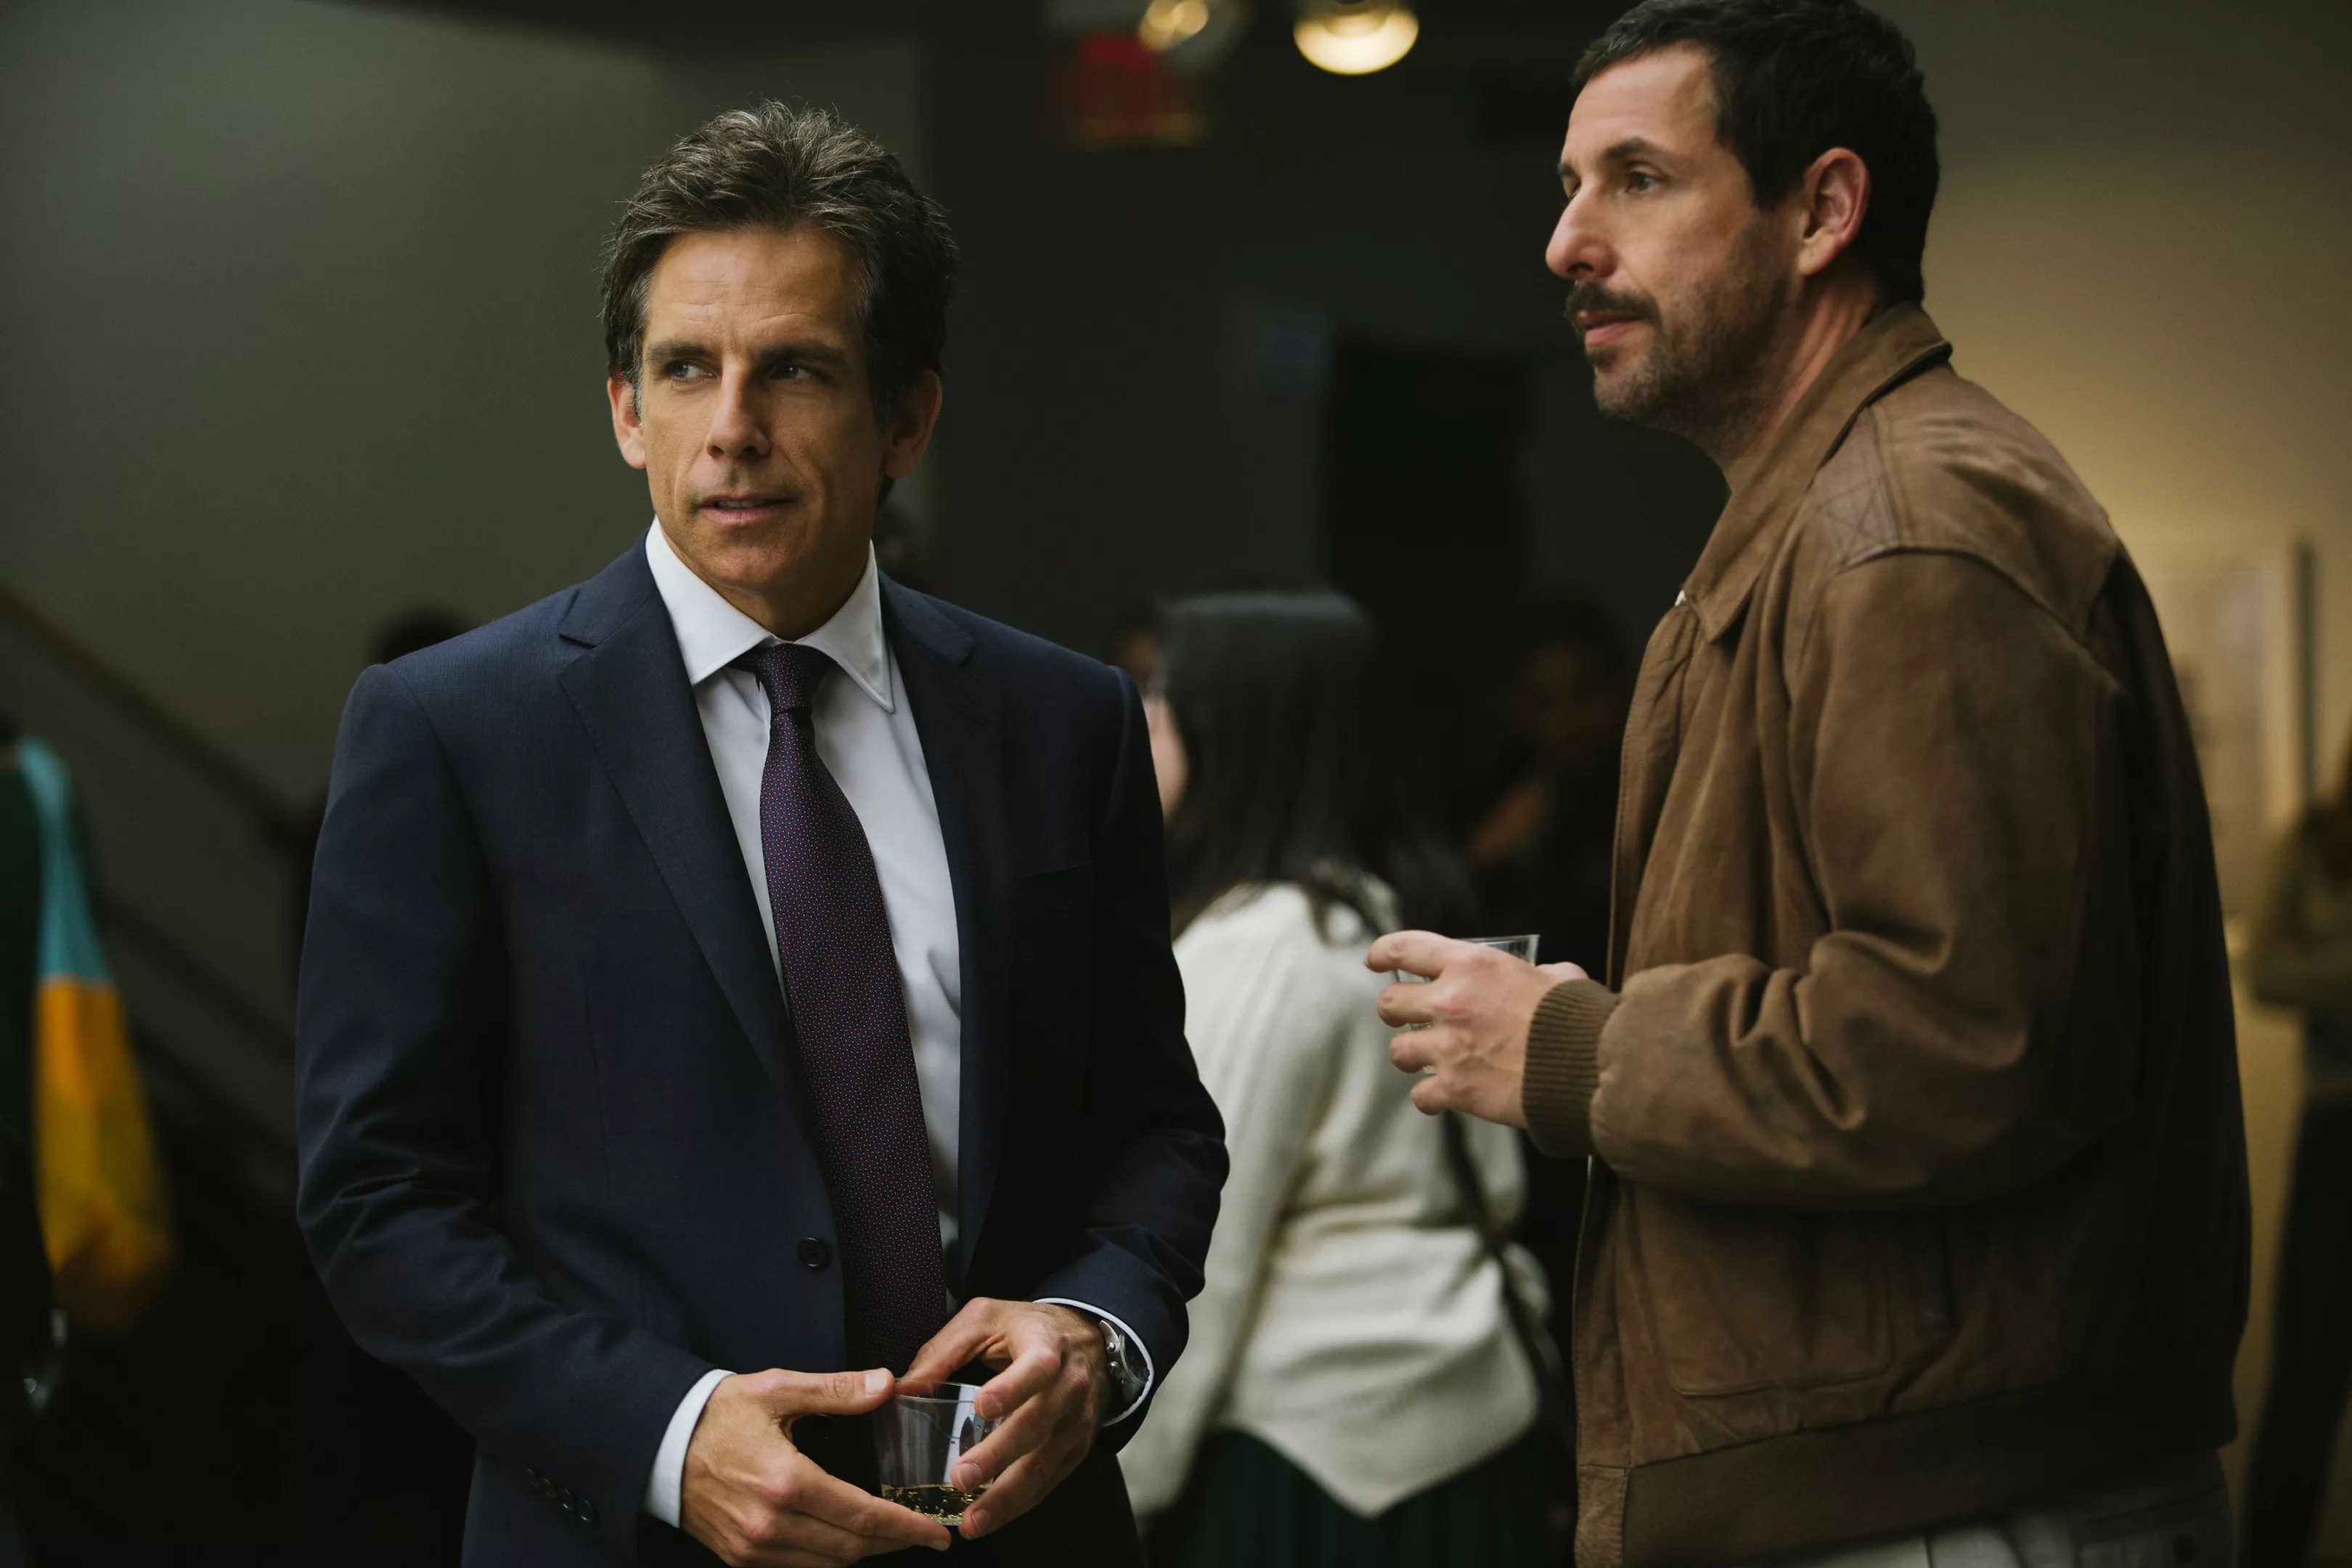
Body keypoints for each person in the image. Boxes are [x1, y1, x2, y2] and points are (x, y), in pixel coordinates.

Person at [1369, 5, 2250, 1568]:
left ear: (1824, 210)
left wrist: (1572, 1050)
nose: (1568, 243)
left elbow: (1963, 1040)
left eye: (1638, 179)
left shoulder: (1905, 530)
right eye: (1570, 188)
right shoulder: (1835, 518)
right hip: (1907, 1489)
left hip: (1947, 1509)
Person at [295, 103, 1225, 1567]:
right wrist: (667, 1435)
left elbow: (1155, 1126)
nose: (732, 427)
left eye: (794, 369)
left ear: (907, 418)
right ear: (626, 410)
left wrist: (1096, 1331)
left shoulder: (1062, 723)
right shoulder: (453, 733)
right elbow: (378, 1202)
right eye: (686, 369)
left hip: (1012, 1529)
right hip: (633, 1535)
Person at [1115, 588, 1550, 1568]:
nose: (1138, 722)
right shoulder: (1391, 916)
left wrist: (1125, 1489)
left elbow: (1195, 1255)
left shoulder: (1259, 950)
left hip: (1309, 1469)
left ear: (1236, 733)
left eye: (1158, 694)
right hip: (1475, 1424)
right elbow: (1497, 1191)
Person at [2240, 732, 2352, 1568]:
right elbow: (2268, 970)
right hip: (2338, 1130)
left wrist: (2329, 966)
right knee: (2308, 1377)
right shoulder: (2311, 844)